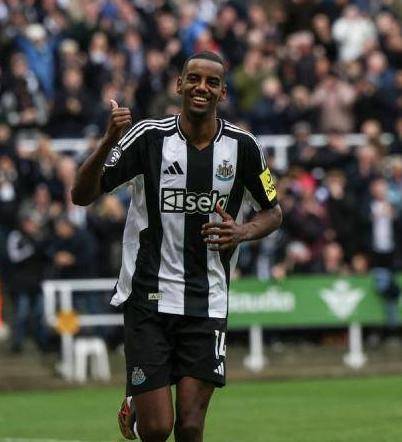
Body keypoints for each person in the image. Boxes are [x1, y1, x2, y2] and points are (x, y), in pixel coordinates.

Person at [71, 51, 282, 442]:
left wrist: (242, 232)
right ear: (179, 84)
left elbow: (273, 212)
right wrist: (107, 141)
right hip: (148, 298)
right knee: (156, 429)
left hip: (207, 299)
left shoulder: (243, 147)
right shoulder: (148, 138)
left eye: (212, 82)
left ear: (223, 92)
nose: (202, 87)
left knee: (190, 426)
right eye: (194, 79)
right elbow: (81, 195)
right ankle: (139, 407)